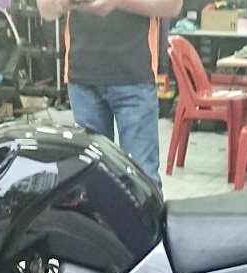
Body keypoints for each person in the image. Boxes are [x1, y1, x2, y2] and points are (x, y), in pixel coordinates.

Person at [37, 0, 181, 188]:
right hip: (83, 79)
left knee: (142, 182)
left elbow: (172, 5)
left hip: (134, 76)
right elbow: (45, 9)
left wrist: (117, 2)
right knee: (91, 182)